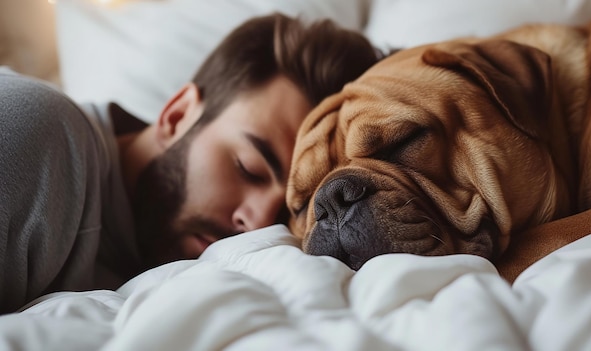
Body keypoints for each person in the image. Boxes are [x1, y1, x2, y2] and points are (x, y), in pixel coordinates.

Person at [0, 13, 380, 314]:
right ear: (177, 115)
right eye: (247, 167)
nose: (258, 222)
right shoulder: (41, 134)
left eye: (286, 209)